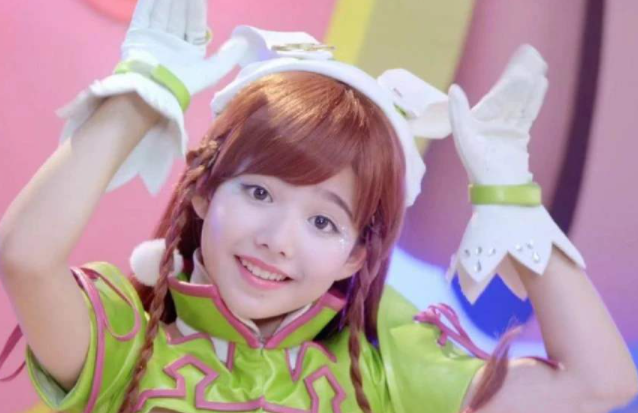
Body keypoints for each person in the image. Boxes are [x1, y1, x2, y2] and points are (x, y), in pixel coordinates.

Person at [0, 0, 636, 412]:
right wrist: (141, 97)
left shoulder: (384, 374)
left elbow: (600, 381)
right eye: (258, 192)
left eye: (324, 221)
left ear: (356, 254)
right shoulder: (126, 341)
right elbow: (25, 259)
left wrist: (510, 199)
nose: (279, 238)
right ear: (203, 192)